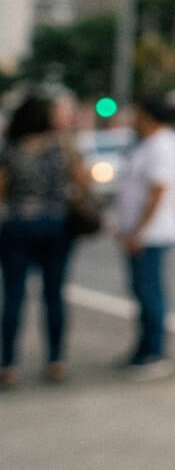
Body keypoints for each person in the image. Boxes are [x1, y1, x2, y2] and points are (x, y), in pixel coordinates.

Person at [0, 95, 89, 387]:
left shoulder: (10, 149)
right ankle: (56, 360)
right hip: (56, 225)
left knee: (14, 296)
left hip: (17, 226)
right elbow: (82, 181)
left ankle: (8, 364)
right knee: (54, 295)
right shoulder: (62, 146)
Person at [115, 96, 175, 380]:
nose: (132, 119)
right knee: (141, 291)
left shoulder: (164, 145)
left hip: (153, 233)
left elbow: (158, 190)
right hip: (141, 232)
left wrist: (138, 231)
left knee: (149, 292)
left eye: (136, 113)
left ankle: (155, 352)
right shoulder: (147, 144)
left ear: (147, 115)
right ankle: (143, 347)